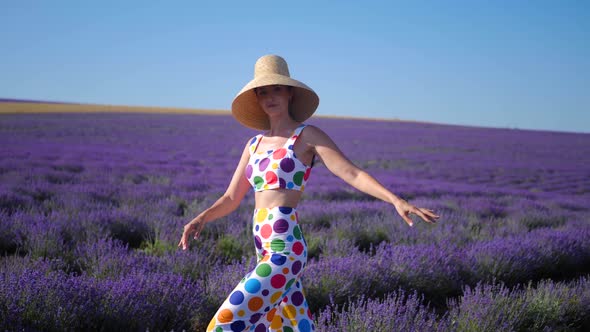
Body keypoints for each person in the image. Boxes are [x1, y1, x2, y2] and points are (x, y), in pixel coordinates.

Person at [178, 54, 440, 332]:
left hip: (285, 249)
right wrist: (201, 218)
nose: (270, 96)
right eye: (263, 91)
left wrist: (396, 200)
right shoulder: (253, 144)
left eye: (276, 88)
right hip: (262, 249)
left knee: (224, 323)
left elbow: (351, 173)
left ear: (290, 92)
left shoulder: (306, 136)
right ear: (256, 98)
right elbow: (231, 198)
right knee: (290, 327)